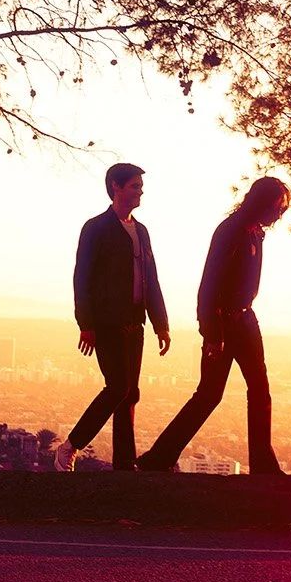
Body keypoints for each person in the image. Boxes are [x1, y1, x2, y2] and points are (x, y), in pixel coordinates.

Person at [139, 176, 290, 475]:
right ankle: (158, 458)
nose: (280, 214)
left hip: (245, 319)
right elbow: (209, 285)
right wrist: (212, 334)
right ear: (262, 203)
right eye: (278, 207)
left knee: (258, 390)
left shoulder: (253, 232)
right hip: (224, 322)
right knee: (210, 394)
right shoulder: (232, 231)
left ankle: (262, 465)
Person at [65, 162, 171, 469]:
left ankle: (124, 464)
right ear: (116, 186)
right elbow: (81, 278)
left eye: (140, 186)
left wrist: (160, 324)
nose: (140, 191)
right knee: (118, 388)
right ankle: (72, 445)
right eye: (134, 186)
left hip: (134, 323)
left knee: (130, 394)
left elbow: (151, 278)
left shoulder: (141, 232)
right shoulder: (96, 228)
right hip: (106, 322)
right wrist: (86, 324)